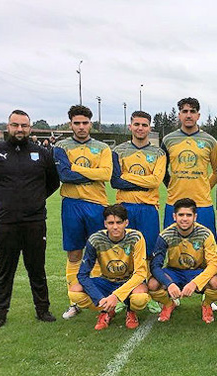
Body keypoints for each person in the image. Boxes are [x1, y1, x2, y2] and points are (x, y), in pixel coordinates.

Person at [0, 109, 60, 329]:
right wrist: (2, 201)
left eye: (23, 125)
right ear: (8, 126)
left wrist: (34, 200)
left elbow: (52, 183)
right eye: (15, 125)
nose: (19, 129)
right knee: (5, 268)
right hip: (5, 222)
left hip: (34, 221)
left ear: (29, 128)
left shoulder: (42, 154)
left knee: (37, 268)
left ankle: (43, 310)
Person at [53, 105, 112, 319]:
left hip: (97, 205)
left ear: (91, 124)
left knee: (97, 252)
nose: (81, 127)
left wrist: (76, 169)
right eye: (76, 123)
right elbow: (64, 176)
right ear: (70, 124)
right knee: (75, 253)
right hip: (72, 204)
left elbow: (106, 174)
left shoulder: (103, 147)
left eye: (84, 123)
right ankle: (74, 301)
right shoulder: (61, 146)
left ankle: (99, 299)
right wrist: (92, 174)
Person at [111, 111, 166, 314]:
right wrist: (145, 182)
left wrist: (128, 176)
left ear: (149, 128)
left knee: (150, 254)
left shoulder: (159, 153)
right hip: (124, 208)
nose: (140, 128)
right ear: (130, 126)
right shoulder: (118, 150)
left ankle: (150, 296)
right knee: (125, 253)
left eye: (144, 124)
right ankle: (123, 295)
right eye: (137, 124)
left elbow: (155, 182)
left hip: (149, 209)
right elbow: (115, 181)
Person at [67, 204, 150, 330]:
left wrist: (115, 296)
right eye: (111, 223)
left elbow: (140, 273)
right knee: (74, 292)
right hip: (106, 281)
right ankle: (106, 310)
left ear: (126, 223)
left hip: (129, 282)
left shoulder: (136, 237)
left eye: (119, 222)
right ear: (105, 223)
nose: (115, 227)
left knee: (140, 298)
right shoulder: (95, 239)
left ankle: (131, 311)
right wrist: (99, 298)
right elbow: (82, 274)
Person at [147, 198, 217, 324]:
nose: (185, 219)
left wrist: (195, 283)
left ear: (195, 217)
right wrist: (169, 283)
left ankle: (207, 304)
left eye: (188, 215)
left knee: (216, 283)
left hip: (197, 272)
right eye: (181, 215)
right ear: (174, 216)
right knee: (153, 284)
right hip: (174, 272)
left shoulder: (205, 234)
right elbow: (155, 266)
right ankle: (168, 304)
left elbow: (213, 264)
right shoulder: (166, 235)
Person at [161, 98, 217, 238]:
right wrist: (171, 186)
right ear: (179, 115)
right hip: (174, 202)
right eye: (184, 111)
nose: (188, 115)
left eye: (192, 111)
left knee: (206, 248)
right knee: (173, 248)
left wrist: (206, 187)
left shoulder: (210, 141)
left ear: (198, 115)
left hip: (202, 204)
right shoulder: (168, 140)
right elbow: (161, 170)